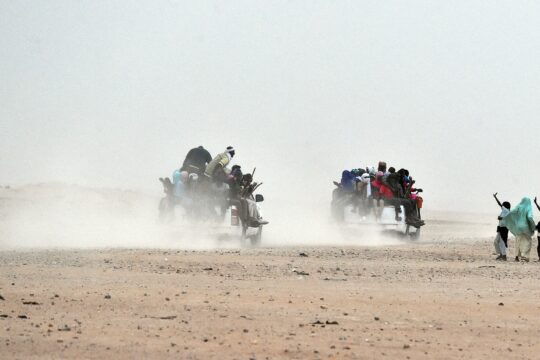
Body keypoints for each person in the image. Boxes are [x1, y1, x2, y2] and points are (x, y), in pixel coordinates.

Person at [504, 197, 536, 262]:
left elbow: (511, 212)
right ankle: (524, 256)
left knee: (518, 241)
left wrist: (505, 217)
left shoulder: (519, 206)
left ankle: (517, 256)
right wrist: (533, 226)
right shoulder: (528, 207)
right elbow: (530, 217)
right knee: (527, 241)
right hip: (525, 227)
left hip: (518, 227)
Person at [492, 193, 511, 261]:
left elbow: (499, 204)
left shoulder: (506, 211)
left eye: (503, 205)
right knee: (496, 241)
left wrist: (495, 197)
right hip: (500, 228)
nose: (501, 206)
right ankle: (500, 254)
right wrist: (500, 218)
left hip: (504, 229)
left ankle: (504, 256)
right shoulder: (505, 211)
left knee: (502, 242)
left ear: (505, 206)